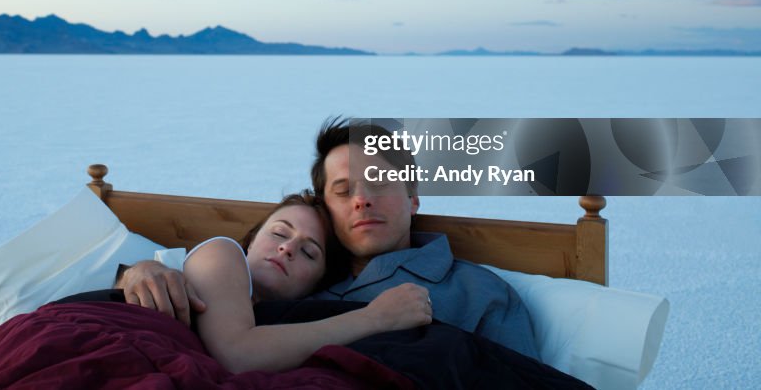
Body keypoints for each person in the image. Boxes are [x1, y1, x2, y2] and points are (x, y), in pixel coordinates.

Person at [119, 118, 540, 360]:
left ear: (412, 198)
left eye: (379, 183)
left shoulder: (478, 292)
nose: (361, 201)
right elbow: (221, 297)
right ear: (326, 207)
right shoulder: (302, 276)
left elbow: (520, 378)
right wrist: (142, 271)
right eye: (343, 191)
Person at [183, 191, 433, 373]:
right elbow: (237, 354)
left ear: (316, 285)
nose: (287, 247)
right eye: (279, 232)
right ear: (250, 241)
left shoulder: (292, 329)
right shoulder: (222, 252)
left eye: (309, 252)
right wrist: (376, 317)